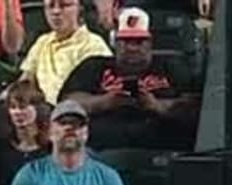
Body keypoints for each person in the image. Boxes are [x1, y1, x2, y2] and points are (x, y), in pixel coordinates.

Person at [57, 6, 196, 150]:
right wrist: (105, 101)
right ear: (115, 43)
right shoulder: (94, 65)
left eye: (139, 41)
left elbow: (195, 107)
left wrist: (157, 105)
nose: (132, 48)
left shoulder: (172, 66)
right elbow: (66, 104)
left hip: (162, 148)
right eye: (126, 41)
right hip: (100, 150)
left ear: (150, 43)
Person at [18, 0, 109, 102]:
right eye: (51, 6)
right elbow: (25, 82)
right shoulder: (41, 42)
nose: (56, 11)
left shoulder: (94, 45)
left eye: (64, 5)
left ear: (79, 9)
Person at [0, 77, 48, 185]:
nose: (17, 112)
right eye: (13, 107)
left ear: (38, 109)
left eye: (23, 107)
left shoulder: (50, 148)